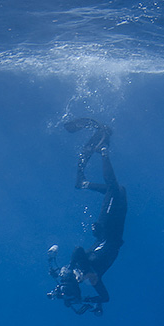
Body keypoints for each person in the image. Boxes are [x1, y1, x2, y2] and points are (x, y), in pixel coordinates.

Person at [47, 118, 127, 316]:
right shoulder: (93, 277)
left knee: (114, 190)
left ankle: (103, 150)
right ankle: (82, 182)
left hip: (107, 229)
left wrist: (77, 269)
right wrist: (90, 299)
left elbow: (77, 250)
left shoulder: (85, 270)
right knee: (119, 192)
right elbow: (105, 297)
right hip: (111, 234)